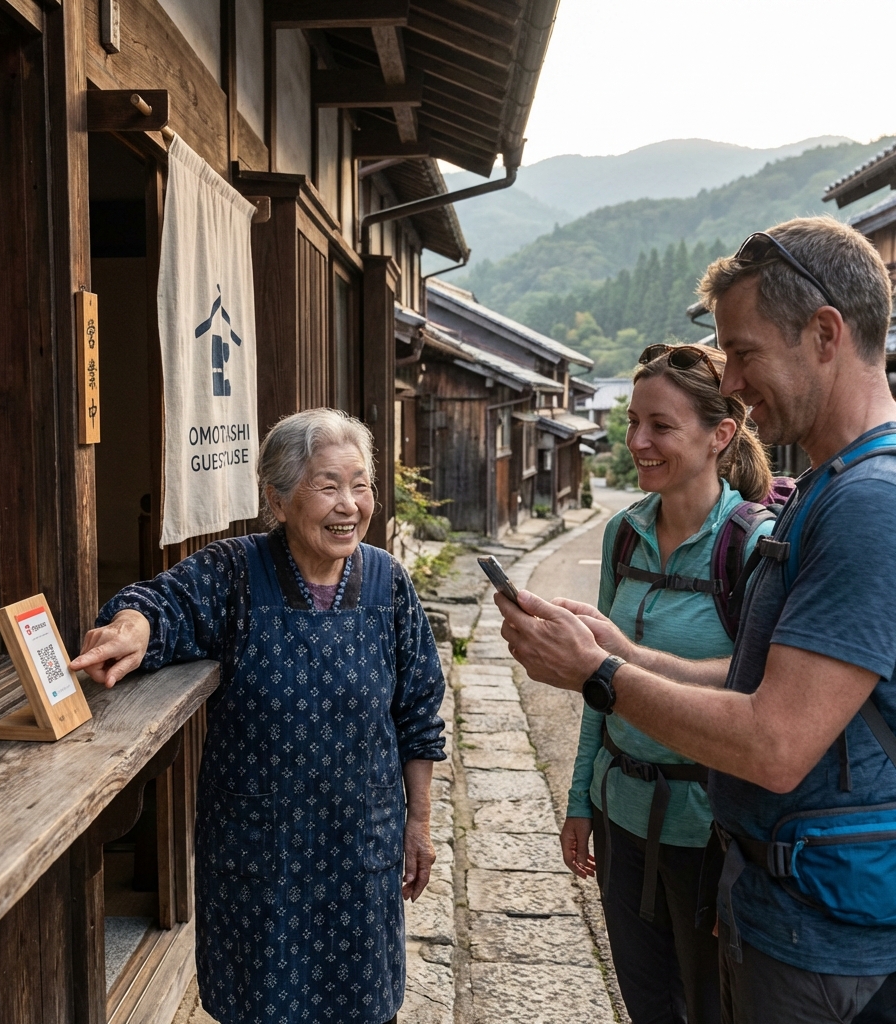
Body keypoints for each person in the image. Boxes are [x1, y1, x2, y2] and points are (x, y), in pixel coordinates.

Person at [496, 217, 896, 1024]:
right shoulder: (830, 486)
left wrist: (596, 676)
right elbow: (762, 685)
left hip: (824, 943)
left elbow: (774, 743)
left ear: (825, 333)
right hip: (788, 907)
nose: (736, 381)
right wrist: (621, 652)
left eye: (744, 352)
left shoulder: (866, 505)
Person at [69, 408, 447, 1024]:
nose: (349, 504)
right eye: (328, 486)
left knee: (362, 1004)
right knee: (258, 1006)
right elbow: (159, 603)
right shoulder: (235, 572)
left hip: (361, 845)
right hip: (260, 851)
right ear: (277, 498)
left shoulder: (388, 584)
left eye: (361, 485)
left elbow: (419, 714)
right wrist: (131, 628)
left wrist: (419, 824)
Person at [562, 342, 776, 1024]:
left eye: (659, 426)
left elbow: (764, 686)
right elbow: (600, 679)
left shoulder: (750, 544)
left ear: (721, 435)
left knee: (713, 1010)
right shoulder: (624, 535)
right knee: (649, 1007)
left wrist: (621, 658)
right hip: (621, 815)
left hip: (710, 833)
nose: (637, 442)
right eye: (632, 422)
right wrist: (578, 798)